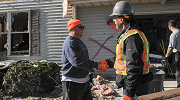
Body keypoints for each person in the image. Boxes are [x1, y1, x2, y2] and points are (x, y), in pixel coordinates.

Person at [100, 1, 153, 100]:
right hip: (137, 84)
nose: (113, 21)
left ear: (121, 19)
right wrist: (108, 62)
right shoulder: (130, 34)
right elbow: (124, 57)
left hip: (136, 87)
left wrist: (129, 93)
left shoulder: (131, 37)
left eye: (114, 18)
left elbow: (134, 66)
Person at [61, 19, 109, 100]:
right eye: (80, 27)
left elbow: (84, 59)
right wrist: (97, 65)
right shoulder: (70, 43)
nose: (83, 29)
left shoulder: (78, 41)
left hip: (83, 80)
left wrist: (95, 66)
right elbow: (77, 62)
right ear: (72, 29)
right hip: (72, 82)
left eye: (83, 27)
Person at [163, 20, 180, 88]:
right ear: (176, 25)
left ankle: (179, 88)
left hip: (178, 54)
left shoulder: (174, 34)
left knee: (178, 71)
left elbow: (170, 47)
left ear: (169, 26)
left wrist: (167, 56)